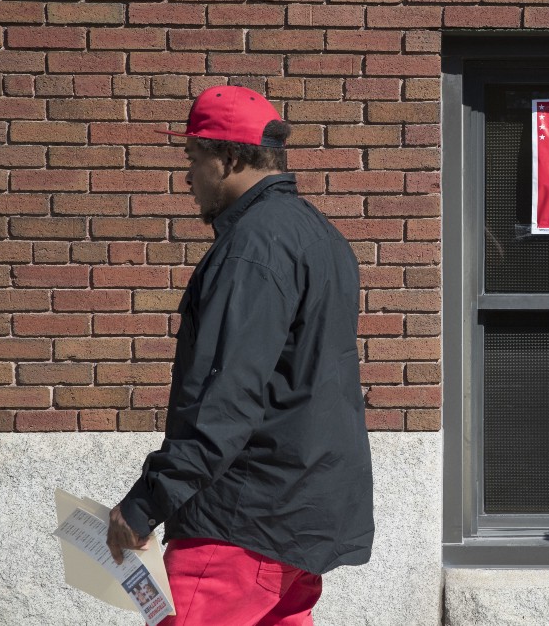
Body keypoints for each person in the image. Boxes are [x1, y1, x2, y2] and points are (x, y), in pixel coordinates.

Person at [104, 85, 375, 626]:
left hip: (238, 523)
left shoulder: (252, 247)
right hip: (297, 523)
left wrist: (143, 507)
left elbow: (224, 401)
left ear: (227, 158)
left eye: (193, 159)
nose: (187, 177)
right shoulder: (322, 237)